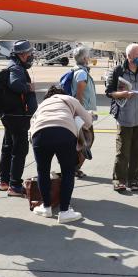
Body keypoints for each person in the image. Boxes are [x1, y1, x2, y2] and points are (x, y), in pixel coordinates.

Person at [29, 86, 94, 224]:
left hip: (39, 134)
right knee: (68, 171)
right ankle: (64, 211)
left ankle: (46, 207)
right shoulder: (69, 99)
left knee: (43, 171)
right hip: (63, 132)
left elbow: (32, 124)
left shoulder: (42, 105)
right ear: (62, 93)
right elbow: (88, 121)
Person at [105, 43, 138, 192]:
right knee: (122, 152)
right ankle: (119, 180)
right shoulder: (118, 70)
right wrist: (121, 94)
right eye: (137, 55)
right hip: (124, 118)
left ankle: (133, 180)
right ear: (129, 56)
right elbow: (109, 92)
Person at [0, 40, 38, 197]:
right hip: (17, 117)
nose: (30, 57)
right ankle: (14, 185)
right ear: (22, 55)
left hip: (10, 115)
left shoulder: (12, 65)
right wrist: (29, 88)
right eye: (29, 54)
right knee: (19, 150)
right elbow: (15, 84)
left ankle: (4, 181)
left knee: (8, 147)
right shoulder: (16, 68)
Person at [70, 45, 98, 178]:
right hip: (83, 114)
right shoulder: (81, 73)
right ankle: (74, 168)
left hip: (83, 114)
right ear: (85, 58)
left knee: (83, 142)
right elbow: (79, 95)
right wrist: (82, 114)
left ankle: (74, 167)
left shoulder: (80, 71)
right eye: (88, 55)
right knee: (87, 141)